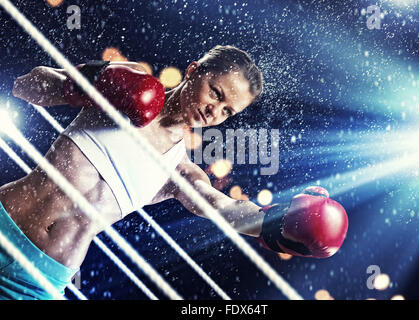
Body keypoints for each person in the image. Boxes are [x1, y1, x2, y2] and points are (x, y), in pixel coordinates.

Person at [0, 45, 348, 300]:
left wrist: (279, 225)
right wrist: (91, 81)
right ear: (194, 70)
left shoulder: (179, 170)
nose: (215, 111)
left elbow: (223, 208)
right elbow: (26, 85)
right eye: (216, 93)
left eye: (228, 110)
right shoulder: (128, 88)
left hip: (37, 280)